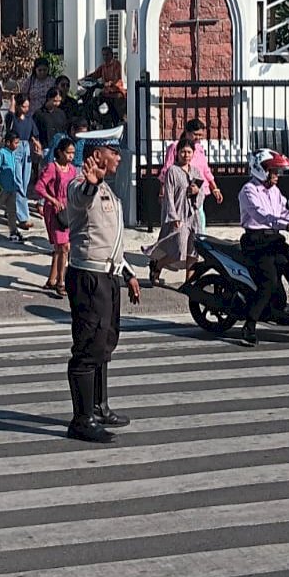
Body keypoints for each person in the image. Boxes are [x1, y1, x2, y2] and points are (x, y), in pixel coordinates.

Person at [65, 129, 140, 444]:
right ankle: (81, 420)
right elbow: (80, 199)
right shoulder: (80, 186)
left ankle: (100, 406)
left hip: (109, 277)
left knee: (105, 343)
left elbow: (112, 241)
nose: (120, 157)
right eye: (114, 151)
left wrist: (128, 272)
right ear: (97, 155)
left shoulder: (109, 191)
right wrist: (91, 182)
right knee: (87, 347)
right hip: (88, 278)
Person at [238, 149, 289, 348]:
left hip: (273, 239)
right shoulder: (248, 191)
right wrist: (285, 225)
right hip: (256, 242)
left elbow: (287, 212)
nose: (277, 176)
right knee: (268, 281)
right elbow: (262, 216)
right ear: (261, 169)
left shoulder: (274, 191)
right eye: (273, 171)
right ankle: (249, 326)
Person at [143, 138, 206, 286]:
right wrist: (173, 216)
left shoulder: (196, 171)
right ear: (177, 153)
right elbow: (168, 195)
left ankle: (189, 282)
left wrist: (197, 192)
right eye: (183, 152)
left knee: (193, 251)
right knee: (178, 249)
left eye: (189, 152)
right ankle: (157, 265)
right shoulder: (172, 171)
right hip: (179, 214)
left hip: (193, 216)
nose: (186, 155)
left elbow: (201, 193)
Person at [34, 137, 77, 297]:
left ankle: (52, 279)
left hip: (68, 210)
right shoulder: (52, 168)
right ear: (59, 152)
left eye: (73, 153)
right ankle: (60, 282)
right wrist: (52, 200)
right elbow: (39, 187)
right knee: (63, 246)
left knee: (61, 247)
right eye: (68, 153)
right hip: (54, 211)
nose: (71, 156)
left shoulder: (72, 169)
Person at [159, 118, 224, 209]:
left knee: (199, 218)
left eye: (200, 135)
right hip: (180, 190)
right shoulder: (175, 147)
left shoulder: (199, 148)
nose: (198, 138)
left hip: (198, 189)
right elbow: (167, 169)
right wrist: (163, 190)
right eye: (195, 134)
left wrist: (215, 188)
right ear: (187, 132)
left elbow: (205, 170)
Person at [4, 93, 42, 229]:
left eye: (27, 106)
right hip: (15, 148)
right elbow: (9, 117)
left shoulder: (29, 119)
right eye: (24, 106)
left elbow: (34, 135)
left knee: (24, 183)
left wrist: (37, 145)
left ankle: (11, 208)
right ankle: (23, 217)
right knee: (18, 182)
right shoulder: (12, 118)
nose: (26, 109)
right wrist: (12, 101)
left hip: (27, 149)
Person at [87, 46, 127, 122]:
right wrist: (84, 79)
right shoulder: (103, 66)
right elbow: (95, 75)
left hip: (116, 92)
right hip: (106, 93)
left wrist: (109, 84)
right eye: (104, 55)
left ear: (112, 55)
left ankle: (122, 121)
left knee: (120, 107)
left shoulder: (117, 65)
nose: (105, 57)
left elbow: (117, 79)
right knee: (95, 101)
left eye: (107, 55)